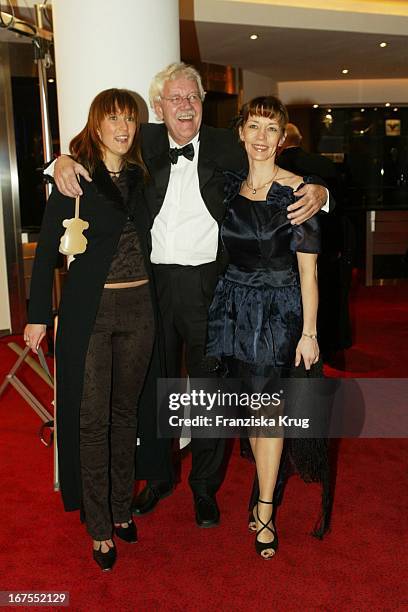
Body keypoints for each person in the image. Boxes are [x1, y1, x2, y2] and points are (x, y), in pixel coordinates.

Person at [50, 63, 330, 529]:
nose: (185, 106)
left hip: (212, 287)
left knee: (209, 392)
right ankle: (158, 477)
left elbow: (285, 166)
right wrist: (57, 162)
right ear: (158, 107)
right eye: (175, 99)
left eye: (193, 98)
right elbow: (91, 156)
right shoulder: (145, 141)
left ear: (203, 104)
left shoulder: (228, 142)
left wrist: (321, 193)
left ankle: (204, 487)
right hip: (152, 284)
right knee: (155, 386)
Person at [25, 89, 156, 571]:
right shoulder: (76, 177)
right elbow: (45, 253)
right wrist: (38, 314)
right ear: (97, 125)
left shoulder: (145, 173)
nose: (123, 127)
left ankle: (122, 508)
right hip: (92, 312)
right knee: (92, 419)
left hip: (142, 307)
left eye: (130, 119)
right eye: (113, 119)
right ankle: (99, 525)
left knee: (126, 415)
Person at [206, 97, 322, 559]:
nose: (260, 136)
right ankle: (263, 489)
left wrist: (309, 332)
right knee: (251, 411)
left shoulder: (300, 193)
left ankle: (266, 509)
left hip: (279, 312)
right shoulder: (228, 189)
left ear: (282, 137)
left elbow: (309, 272)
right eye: (253, 126)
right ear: (241, 133)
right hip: (233, 310)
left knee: (269, 411)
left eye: (270, 129)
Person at [279, 123, 354, 358]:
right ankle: (332, 343)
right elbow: (341, 204)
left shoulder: (277, 166)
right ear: (300, 139)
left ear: (282, 139)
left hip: (287, 256)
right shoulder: (323, 163)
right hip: (330, 244)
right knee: (332, 295)